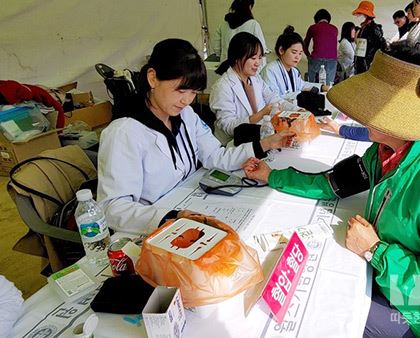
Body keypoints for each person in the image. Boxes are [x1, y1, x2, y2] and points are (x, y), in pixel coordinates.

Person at [244, 41, 420, 338]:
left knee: (321, 316)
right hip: (389, 281)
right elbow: (334, 183)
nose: (361, 114)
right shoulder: (389, 149)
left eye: (371, 105)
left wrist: (376, 251)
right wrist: (273, 176)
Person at [97, 38, 294, 234]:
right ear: (152, 78)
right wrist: (169, 217)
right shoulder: (123, 133)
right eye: (181, 90)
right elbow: (113, 208)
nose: (186, 100)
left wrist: (267, 143)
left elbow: (216, 156)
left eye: (193, 92)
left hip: (191, 204)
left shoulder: (186, 115)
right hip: (150, 228)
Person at [211, 32, 299, 144]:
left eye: (259, 57)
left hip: (257, 138)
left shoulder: (255, 79)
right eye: (253, 58)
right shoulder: (222, 87)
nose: (258, 63)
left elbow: (274, 98)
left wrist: (297, 111)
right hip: (233, 146)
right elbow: (228, 127)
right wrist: (261, 114)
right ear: (238, 57)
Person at [261, 26, 327, 101]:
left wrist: (322, 87)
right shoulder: (270, 71)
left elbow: (302, 85)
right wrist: (300, 94)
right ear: (281, 50)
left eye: (300, 53)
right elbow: (273, 99)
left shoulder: (294, 71)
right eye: (294, 52)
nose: (297, 57)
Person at [212, 0, 267, 68]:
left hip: (226, 66)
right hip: (246, 68)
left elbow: (216, 48)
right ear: (249, 7)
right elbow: (262, 49)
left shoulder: (223, 24)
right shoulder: (253, 24)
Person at [303, 9, 338, 83]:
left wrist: (308, 55)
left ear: (316, 19)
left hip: (316, 60)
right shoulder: (335, 29)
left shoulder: (313, 27)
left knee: (313, 84)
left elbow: (304, 44)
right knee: (329, 85)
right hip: (332, 61)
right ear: (328, 19)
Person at [353, 1, 387, 74]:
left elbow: (382, 46)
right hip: (360, 65)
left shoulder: (374, 29)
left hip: (368, 66)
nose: (358, 16)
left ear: (366, 15)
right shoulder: (363, 28)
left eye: (360, 14)